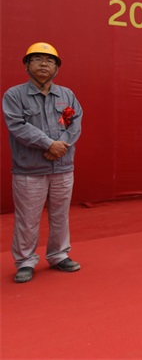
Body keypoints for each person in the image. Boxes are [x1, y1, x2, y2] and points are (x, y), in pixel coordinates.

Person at [3, 42, 83, 283]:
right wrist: (49, 144)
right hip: (29, 169)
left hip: (62, 167)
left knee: (60, 215)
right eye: (37, 59)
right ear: (27, 65)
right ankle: (25, 261)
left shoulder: (67, 94)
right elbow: (17, 126)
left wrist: (60, 147)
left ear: (57, 68)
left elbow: (75, 123)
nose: (44, 64)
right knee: (27, 217)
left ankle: (59, 255)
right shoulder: (14, 95)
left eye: (50, 60)